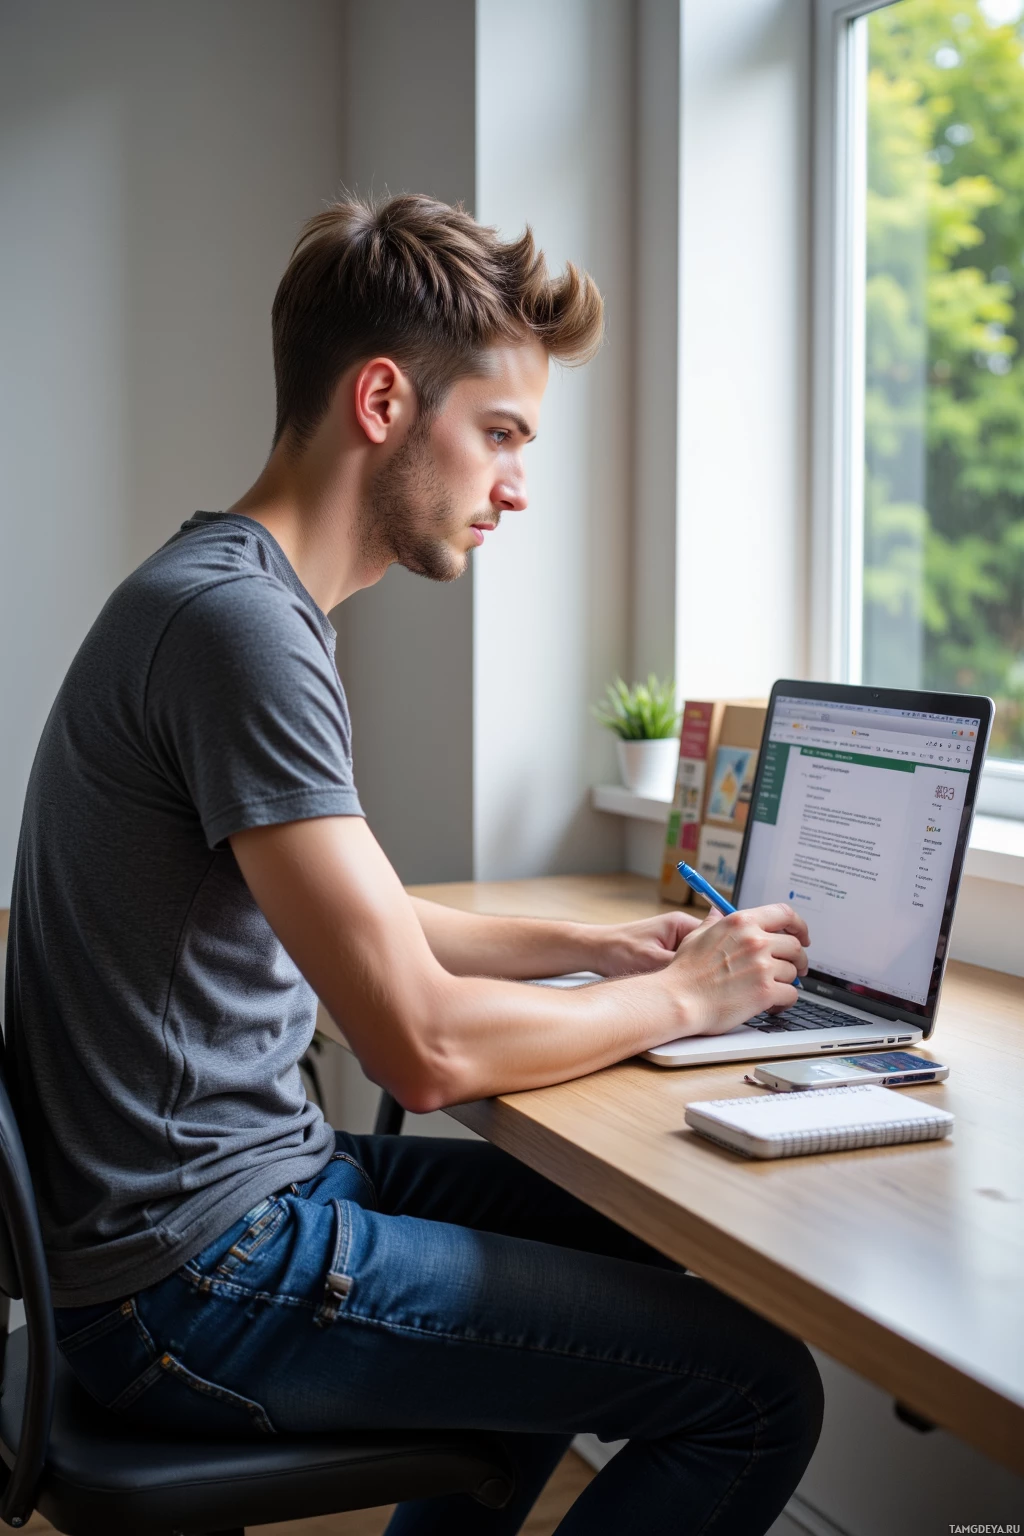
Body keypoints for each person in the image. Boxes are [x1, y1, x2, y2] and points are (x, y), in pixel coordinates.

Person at [5, 193, 822, 1534]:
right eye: (500, 434)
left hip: (232, 1198)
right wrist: (690, 1000)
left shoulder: (229, 594)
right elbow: (422, 1051)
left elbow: (380, 926)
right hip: (194, 1280)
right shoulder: (239, 630)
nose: (516, 485)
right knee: (760, 1391)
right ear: (383, 402)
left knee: (629, 1251)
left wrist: (602, 949)